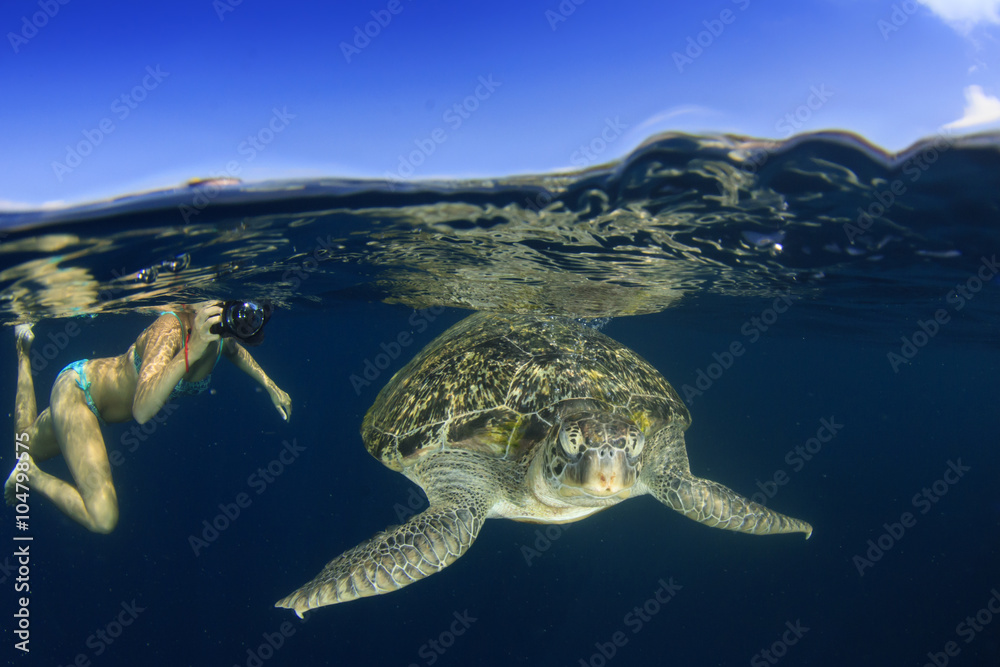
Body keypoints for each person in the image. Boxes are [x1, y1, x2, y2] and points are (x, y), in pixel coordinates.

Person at [4, 302, 292, 533]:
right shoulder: (169, 329)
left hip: (93, 406)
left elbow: (231, 350)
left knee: (23, 440)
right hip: (79, 391)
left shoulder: (217, 331)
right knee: (102, 517)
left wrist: (269, 385)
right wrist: (192, 349)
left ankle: (22, 349)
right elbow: (141, 410)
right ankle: (29, 474)